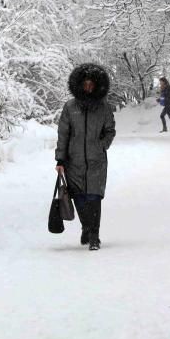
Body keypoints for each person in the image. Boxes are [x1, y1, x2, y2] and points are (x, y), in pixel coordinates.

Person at [54, 63, 117, 250]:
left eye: (92, 84)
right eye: (85, 84)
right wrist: (60, 159)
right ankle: (87, 227)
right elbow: (63, 133)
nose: (88, 87)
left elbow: (110, 130)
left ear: (97, 86)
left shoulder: (104, 108)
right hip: (74, 161)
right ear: (80, 85)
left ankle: (94, 236)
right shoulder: (70, 107)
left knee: (94, 196)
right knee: (79, 197)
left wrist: (101, 145)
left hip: (96, 161)